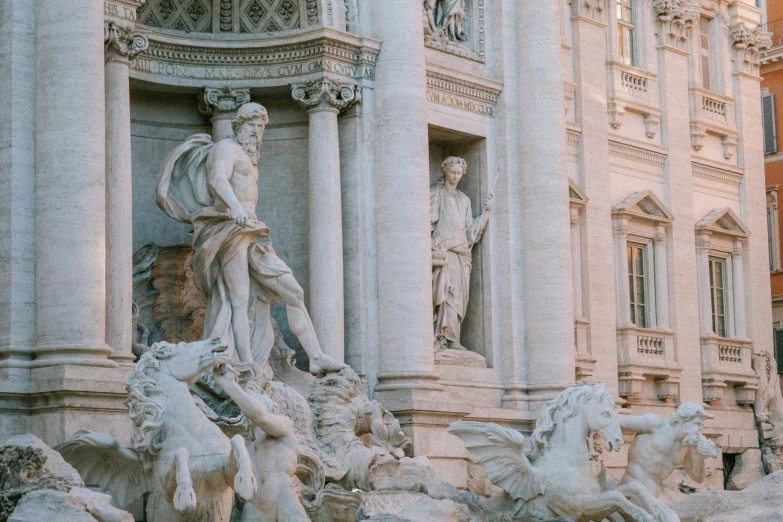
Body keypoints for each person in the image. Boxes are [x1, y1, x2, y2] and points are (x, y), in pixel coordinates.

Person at [156, 102, 344, 374]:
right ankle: (245, 363)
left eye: (261, 128)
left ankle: (316, 357)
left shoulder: (250, 158)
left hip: (254, 233)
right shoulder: (226, 149)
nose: (257, 133)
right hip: (229, 230)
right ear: (239, 125)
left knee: (294, 291)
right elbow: (217, 180)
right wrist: (235, 209)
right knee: (239, 300)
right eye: (253, 126)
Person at [212, 364, 309, 522]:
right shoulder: (247, 449)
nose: (251, 408)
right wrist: (235, 448)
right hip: (253, 511)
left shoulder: (284, 429)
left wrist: (229, 385)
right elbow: (231, 479)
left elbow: (262, 418)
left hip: (283, 502)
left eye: (254, 403)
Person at [430, 156, 493, 352]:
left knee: (458, 298)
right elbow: (426, 223)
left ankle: (454, 337)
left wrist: (486, 212)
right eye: (452, 172)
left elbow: (470, 233)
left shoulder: (464, 199)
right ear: (444, 171)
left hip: (461, 254)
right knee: (445, 294)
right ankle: (440, 337)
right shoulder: (435, 193)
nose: (456, 176)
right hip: (445, 252)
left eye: (459, 173)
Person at [620, 403, 719, 497]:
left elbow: (698, 478)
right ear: (684, 420)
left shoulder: (687, 446)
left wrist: (698, 456)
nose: (700, 428)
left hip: (654, 490)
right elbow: (619, 424)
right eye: (697, 424)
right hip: (633, 482)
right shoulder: (655, 424)